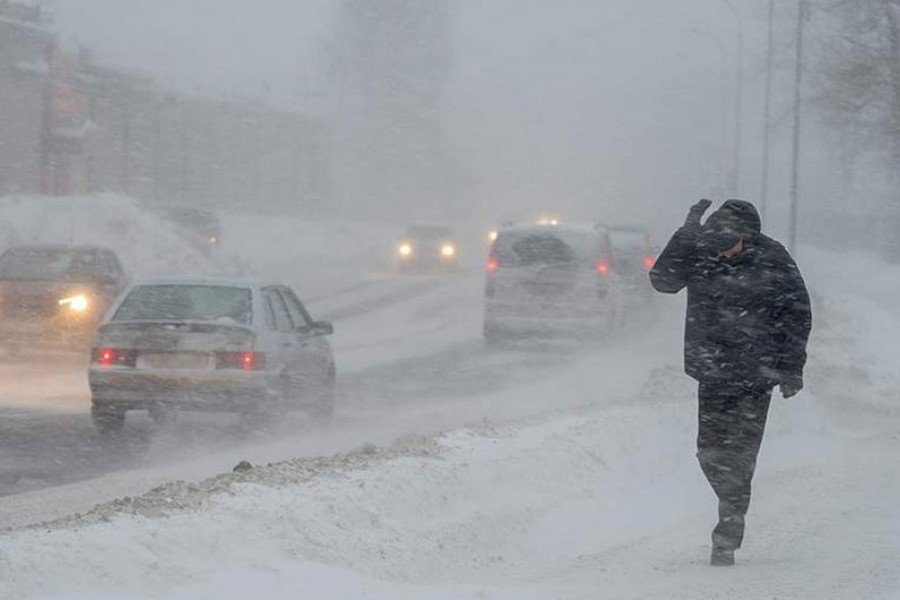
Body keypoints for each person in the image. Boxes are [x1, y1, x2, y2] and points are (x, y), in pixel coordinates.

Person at [649, 199, 812, 566]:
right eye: (716, 245)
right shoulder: (702, 249)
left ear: (747, 237)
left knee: (740, 454)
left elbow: (797, 314)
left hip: (757, 376)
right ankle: (731, 500)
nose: (722, 253)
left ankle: (729, 526)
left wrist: (792, 367)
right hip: (713, 371)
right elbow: (662, 281)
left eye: (730, 245)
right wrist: (687, 233)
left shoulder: (773, 258)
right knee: (708, 452)